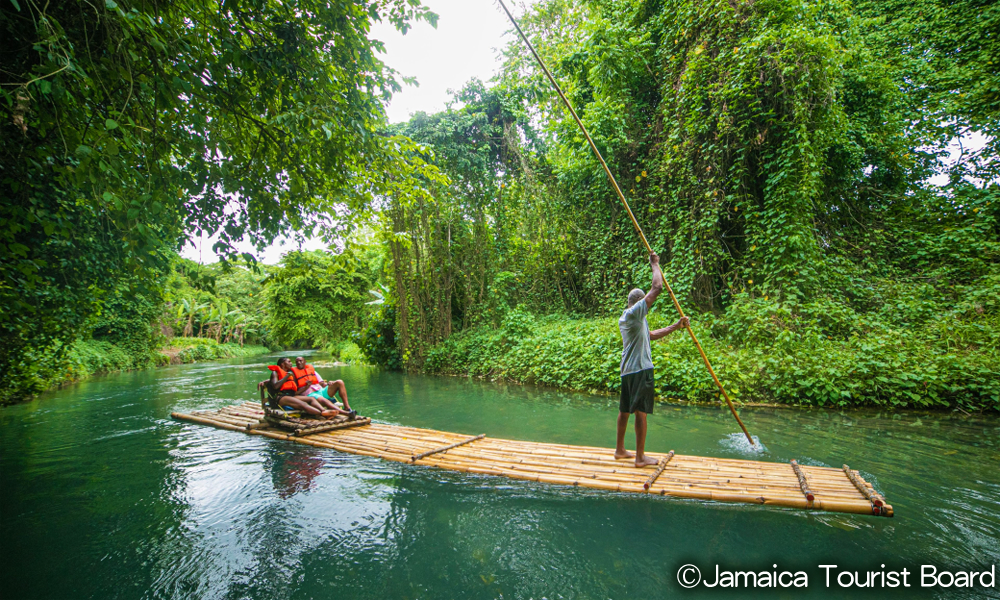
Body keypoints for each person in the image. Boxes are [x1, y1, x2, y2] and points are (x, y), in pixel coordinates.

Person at [616, 252, 689, 467]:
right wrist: (654, 264)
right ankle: (640, 458)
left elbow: (651, 335)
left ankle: (620, 450)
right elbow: (657, 287)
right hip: (640, 370)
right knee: (641, 412)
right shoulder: (635, 313)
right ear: (639, 304)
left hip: (628, 370)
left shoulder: (631, 318)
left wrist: (676, 326)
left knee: (624, 410)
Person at [258, 357, 340, 418]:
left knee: (311, 399)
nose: (291, 363)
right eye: (289, 362)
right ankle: (322, 414)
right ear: (283, 364)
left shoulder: (289, 373)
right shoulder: (275, 373)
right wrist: (287, 376)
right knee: (303, 404)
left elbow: (292, 387)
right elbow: (275, 386)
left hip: (291, 396)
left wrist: (306, 386)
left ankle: (324, 410)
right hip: (280, 397)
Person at [291, 356, 356, 418]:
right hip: (310, 395)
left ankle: (347, 407)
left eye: (300, 361)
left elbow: (322, 384)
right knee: (322, 399)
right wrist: (306, 386)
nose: (299, 363)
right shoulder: (294, 375)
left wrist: (329, 383)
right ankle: (346, 413)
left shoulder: (312, 371)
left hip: (321, 391)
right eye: (297, 362)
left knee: (339, 382)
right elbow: (295, 392)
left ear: (305, 362)